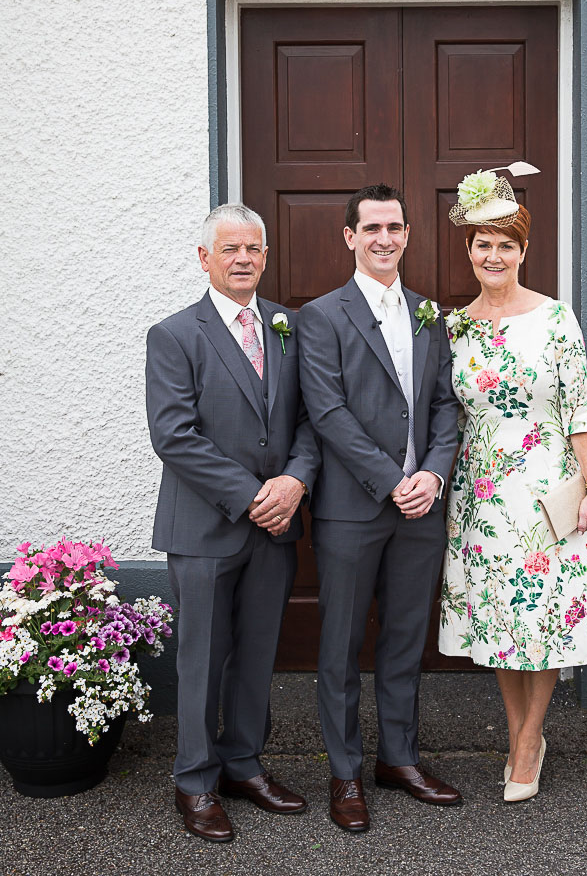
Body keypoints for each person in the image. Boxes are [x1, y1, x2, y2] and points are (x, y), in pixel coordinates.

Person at [438, 170, 587, 802]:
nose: (493, 256)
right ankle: (518, 729)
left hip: (549, 485)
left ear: (523, 251)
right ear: (468, 250)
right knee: (498, 615)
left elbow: (578, 407)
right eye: (482, 244)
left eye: (505, 245)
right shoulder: (454, 328)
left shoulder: (554, 318)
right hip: (481, 492)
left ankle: (528, 741)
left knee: (544, 611)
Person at [146, 203, 319, 842]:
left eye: (253, 249)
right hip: (206, 528)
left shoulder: (290, 327)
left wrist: (296, 480)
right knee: (203, 657)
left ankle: (244, 763)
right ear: (204, 259)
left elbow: (312, 418)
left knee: (255, 655)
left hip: (277, 528)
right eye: (229, 249)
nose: (243, 258)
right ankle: (195, 781)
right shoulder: (174, 334)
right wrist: (252, 496)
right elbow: (174, 435)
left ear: (265, 257)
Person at [297, 183, 462, 833]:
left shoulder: (430, 314)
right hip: (351, 509)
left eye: (395, 227)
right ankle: (344, 774)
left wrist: (432, 474)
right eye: (372, 229)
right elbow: (327, 412)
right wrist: (389, 477)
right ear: (349, 237)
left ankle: (400, 758)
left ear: (407, 233)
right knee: (339, 647)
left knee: (403, 640)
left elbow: (446, 407)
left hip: (421, 509)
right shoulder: (320, 317)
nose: (385, 239)